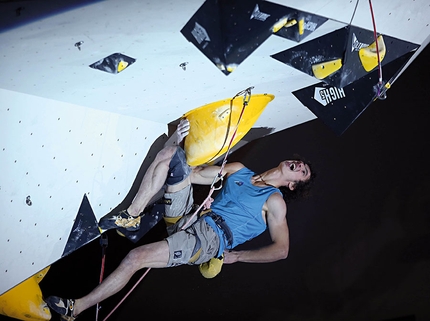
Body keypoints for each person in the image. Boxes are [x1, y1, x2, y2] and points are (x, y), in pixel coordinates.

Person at [46, 119, 314, 320]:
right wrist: (176, 138)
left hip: (207, 240)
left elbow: (282, 250)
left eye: (302, 173)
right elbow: (193, 174)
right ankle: (132, 216)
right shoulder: (239, 171)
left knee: (135, 258)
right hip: (192, 213)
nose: (298, 165)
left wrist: (238, 256)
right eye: (300, 163)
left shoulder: (274, 201)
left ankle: (76, 308)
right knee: (174, 157)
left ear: (292, 185)